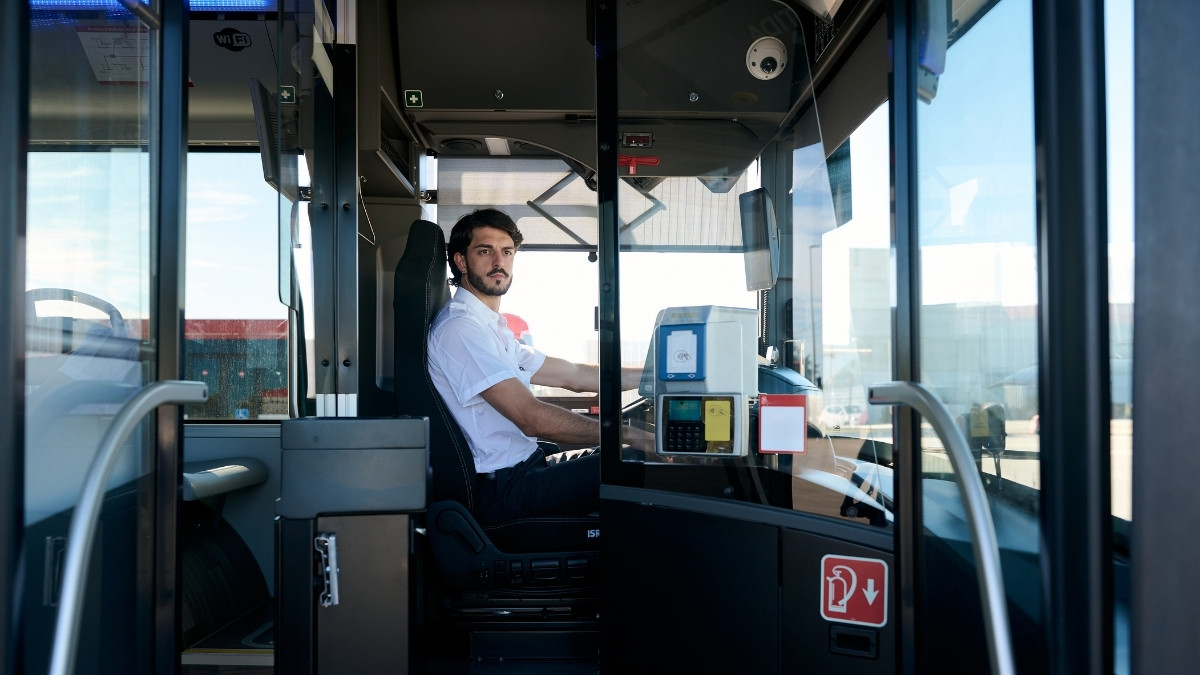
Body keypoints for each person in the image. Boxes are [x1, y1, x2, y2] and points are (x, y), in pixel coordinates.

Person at [427, 208, 652, 525]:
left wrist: (656, 376)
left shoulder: (491, 328)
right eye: (485, 251)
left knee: (634, 460)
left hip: (524, 469)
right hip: (503, 488)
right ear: (461, 261)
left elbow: (574, 375)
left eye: (507, 252)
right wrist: (627, 433)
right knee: (637, 464)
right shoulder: (461, 329)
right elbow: (531, 418)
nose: (498, 262)